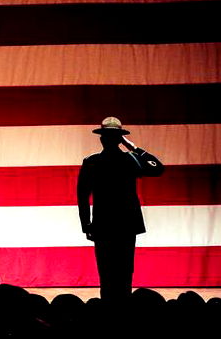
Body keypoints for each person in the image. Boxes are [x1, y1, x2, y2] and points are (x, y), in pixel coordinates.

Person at [77, 116, 164, 304]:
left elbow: (82, 196)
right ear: (120, 139)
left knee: (107, 271)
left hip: (103, 224)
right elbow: (157, 167)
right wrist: (132, 147)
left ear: (101, 138)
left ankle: (109, 306)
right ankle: (123, 307)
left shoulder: (92, 161)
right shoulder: (131, 160)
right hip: (125, 224)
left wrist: (86, 225)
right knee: (124, 270)